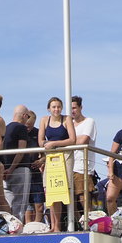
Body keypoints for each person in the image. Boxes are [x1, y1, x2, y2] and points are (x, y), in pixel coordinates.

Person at [38, 97, 78, 232]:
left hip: (65, 156)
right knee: (51, 191)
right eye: (54, 107)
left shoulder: (66, 119)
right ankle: (54, 225)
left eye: (58, 107)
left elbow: (72, 139)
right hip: (51, 157)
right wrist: (46, 145)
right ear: (49, 108)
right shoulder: (44, 120)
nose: (56, 109)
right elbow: (40, 140)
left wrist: (54, 143)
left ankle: (62, 224)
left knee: (63, 190)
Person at [2, 104, 32, 223]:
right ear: (24, 115)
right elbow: (21, 150)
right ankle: (17, 229)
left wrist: (6, 168)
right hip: (19, 169)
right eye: (28, 116)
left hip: (5, 170)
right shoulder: (21, 128)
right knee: (20, 204)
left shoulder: (6, 128)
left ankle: (8, 227)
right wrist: (12, 168)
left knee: (7, 204)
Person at [71, 96, 98, 213]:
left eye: (74, 108)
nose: (72, 111)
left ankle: (88, 223)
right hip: (68, 164)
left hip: (83, 165)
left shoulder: (89, 121)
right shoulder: (69, 124)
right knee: (70, 199)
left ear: (80, 107)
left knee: (83, 196)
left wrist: (66, 141)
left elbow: (83, 140)